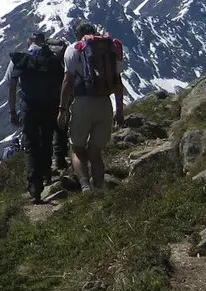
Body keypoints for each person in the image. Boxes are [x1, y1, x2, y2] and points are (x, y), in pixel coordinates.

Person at [58, 20, 125, 190]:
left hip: (82, 103)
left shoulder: (74, 49)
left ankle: (86, 187)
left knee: (78, 149)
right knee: (96, 153)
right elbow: (118, 81)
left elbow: (68, 81)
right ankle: (100, 189)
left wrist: (63, 109)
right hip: (104, 103)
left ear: (77, 34)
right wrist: (119, 111)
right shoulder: (110, 48)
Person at [8, 31, 65, 202]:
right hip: (48, 106)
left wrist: (12, 111)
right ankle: (47, 173)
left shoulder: (21, 59)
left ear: (31, 40)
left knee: (31, 145)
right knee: (47, 139)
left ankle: (34, 187)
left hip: (29, 108)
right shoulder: (51, 59)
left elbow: (11, 86)